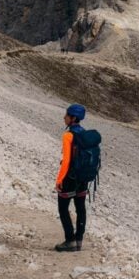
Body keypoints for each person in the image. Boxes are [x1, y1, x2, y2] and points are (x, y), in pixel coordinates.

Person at [55, 104, 89, 252]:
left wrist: (59, 180)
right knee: (80, 208)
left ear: (73, 118)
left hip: (70, 178)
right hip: (83, 178)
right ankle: (79, 240)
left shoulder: (68, 135)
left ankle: (70, 241)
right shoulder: (85, 134)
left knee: (63, 208)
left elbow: (66, 161)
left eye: (67, 115)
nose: (64, 117)